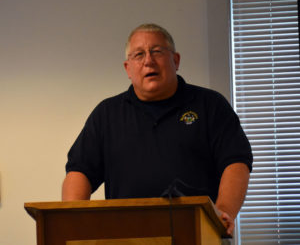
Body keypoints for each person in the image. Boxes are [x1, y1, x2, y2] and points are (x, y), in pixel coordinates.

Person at [62, 23, 253, 236]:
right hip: (125, 236)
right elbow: (80, 171)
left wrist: (224, 211)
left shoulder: (211, 105)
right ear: (127, 68)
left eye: (156, 51)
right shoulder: (107, 114)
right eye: (138, 54)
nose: (148, 61)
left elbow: (236, 162)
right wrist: (73, 220)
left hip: (197, 233)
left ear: (176, 60)